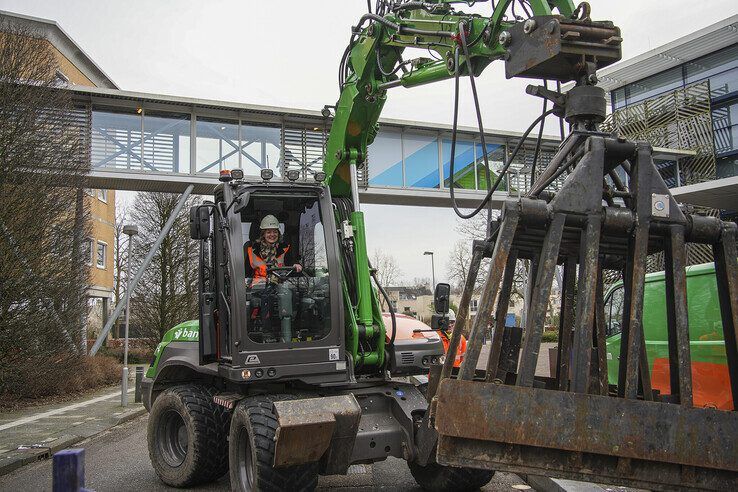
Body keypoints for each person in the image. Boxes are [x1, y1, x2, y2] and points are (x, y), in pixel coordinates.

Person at [244, 214, 302, 284]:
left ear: (278, 233)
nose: (272, 235)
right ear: (263, 234)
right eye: (268, 232)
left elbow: (291, 262)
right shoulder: (252, 250)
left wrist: (296, 264)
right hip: (258, 289)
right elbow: (246, 275)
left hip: (280, 287)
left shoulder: (285, 248)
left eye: (275, 232)